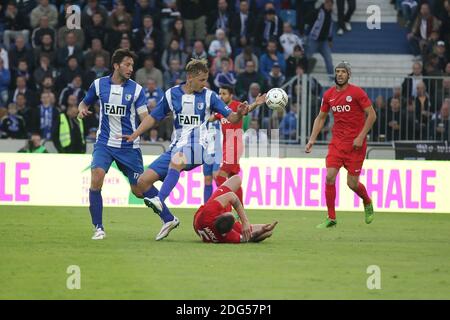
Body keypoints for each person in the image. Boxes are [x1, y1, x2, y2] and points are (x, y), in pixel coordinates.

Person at [120, 59, 259, 241]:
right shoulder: (172, 95)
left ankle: (159, 199)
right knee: (141, 186)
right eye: (201, 80)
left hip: (199, 147)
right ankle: (168, 219)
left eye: (206, 80)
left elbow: (232, 118)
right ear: (190, 78)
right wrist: (135, 134)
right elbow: (153, 118)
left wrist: (240, 112)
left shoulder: (209, 97)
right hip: (175, 147)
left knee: (177, 159)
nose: (205, 84)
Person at [77, 49, 149, 240]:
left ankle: (166, 215)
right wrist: (82, 110)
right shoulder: (99, 85)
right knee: (96, 177)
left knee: (139, 190)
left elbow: (145, 118)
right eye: (127, 64)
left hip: (128, 146)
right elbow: (83, 104)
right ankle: (98, 228)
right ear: (116, 65)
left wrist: (140, 130)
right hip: (104, 143)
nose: (131, 68)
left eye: (132, 65)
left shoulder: (136, 89)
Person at [305, 61, 377, 228]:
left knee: (352, 184)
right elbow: (321, 117)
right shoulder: (328, 94)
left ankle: (367, 201)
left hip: (355, 145)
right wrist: (312, 140)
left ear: (348, 74)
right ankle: (331, 218)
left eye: (343, 72)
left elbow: (372, 115)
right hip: (337, 143)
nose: (339, 74)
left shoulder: (357, 93)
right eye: (337, 71)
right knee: (330, 176)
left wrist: (360, 137)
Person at [209, 85, 266, 206]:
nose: (221, 96)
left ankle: (226, 206)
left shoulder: (235, 105)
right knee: (232, 178)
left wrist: (255, 103)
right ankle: (240, 210)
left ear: (231, 95)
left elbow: (246, 109)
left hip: (234, 145)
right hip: (227, 145)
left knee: (219, 176)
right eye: (220, 93)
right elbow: (211, 118)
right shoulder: (220, 109)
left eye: (224, 93)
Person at [193, 175, 278, 243]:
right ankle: (252, 225)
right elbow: (247, 238)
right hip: (202, 225)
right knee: (268, 231)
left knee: (236, 181)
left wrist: (245, 223)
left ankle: (244, 221)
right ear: (230, 231)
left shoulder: (209, 212)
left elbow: (231, 196)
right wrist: (249, 224)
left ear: (218, 216)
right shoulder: (228, 237)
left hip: (200, 222)